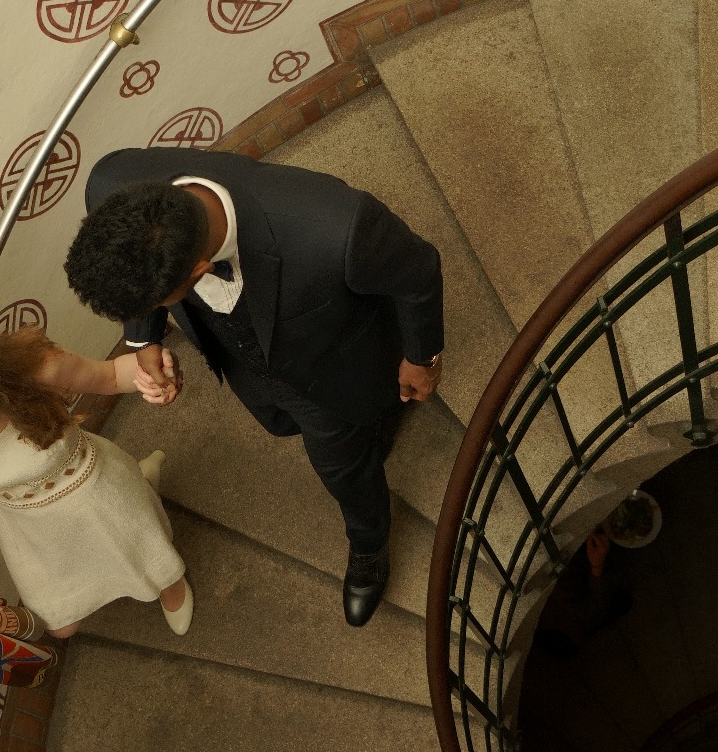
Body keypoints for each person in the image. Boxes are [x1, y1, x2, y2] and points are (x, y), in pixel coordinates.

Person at [64, 149, 444, 628]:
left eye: (159, 302)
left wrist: (421, 358)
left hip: (331, 366)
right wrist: (144, 336)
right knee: (289, 420)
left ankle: (369, 543)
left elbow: (420, 271)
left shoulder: (338, 228)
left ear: (199, 270)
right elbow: (138, 274)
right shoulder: (110, 181)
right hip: (249, 365)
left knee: (344, 469)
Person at [0, 328, 192, 639]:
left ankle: (171, 583)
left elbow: (111, 375)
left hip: (95, 495)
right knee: (62, 626)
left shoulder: (38, 372)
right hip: (26, 531)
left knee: (152, 562)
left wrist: (158, 374)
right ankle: (147, 484)